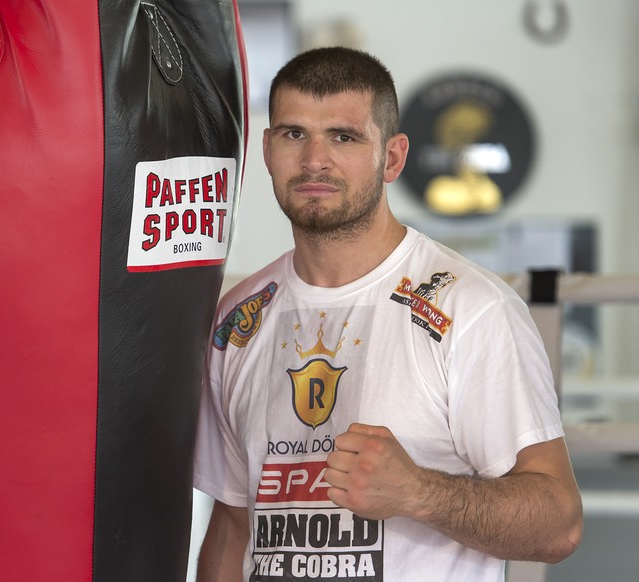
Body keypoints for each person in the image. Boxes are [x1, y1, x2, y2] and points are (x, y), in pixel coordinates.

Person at [193, 46, 583, 582]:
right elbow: (234, 525)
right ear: (266, 149)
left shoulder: (470, 309)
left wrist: (418, 492)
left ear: (393, 158)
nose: (314, 161)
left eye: (344, 136)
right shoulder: (238, 320)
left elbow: (558, 524)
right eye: (293, 134)